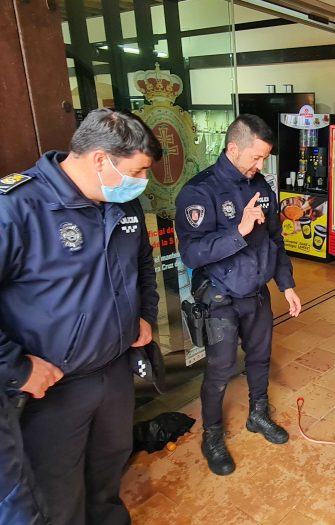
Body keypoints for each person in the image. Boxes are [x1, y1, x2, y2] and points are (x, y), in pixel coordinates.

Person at [0, 108, 161, 525]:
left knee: (110, 467)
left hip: (114, 371)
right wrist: (15, 368)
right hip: (52, 389)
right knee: (59, 489)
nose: (142, 183)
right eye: (138, 171)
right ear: (99, 159)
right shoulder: (18, 208)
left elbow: (143, 265)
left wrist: (143, 315)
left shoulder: (122, 205)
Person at [175, 114, 301, 477]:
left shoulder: (261, 185)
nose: (260, 165)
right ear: (233, 148)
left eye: (264, 158)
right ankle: (212, 435)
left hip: (256, 293)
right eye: (256, 157)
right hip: (219, 298)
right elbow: (192, 253)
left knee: (260, 359)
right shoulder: (200, 192)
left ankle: (257, 416)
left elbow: (275, 239)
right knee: (220, 369)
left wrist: (286, 284)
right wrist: (240, 230)